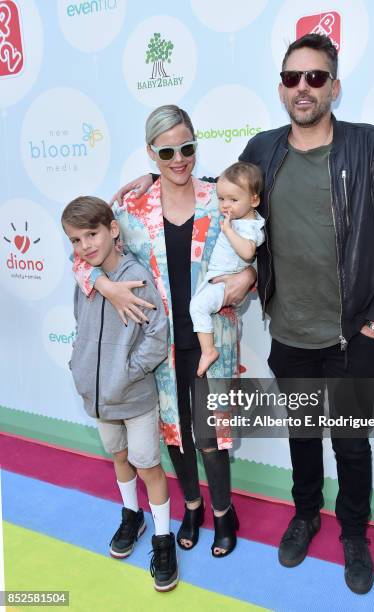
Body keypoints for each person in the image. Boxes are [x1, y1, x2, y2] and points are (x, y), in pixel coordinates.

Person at [114, 35, 374, 595]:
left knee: (349, 441)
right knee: (302, 434)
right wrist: (151, 180)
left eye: (316, 78)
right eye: (293, 78)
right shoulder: (263, 150)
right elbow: (221, 196)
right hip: (290, 329)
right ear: (280, 87)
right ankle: (305, 515)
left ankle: (353, 535)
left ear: (335, 87)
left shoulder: (371, 147)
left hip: (352, 336)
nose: (304, 87)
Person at [72, 106, 255, 558]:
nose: (179, 159)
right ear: (152, 152)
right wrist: (106, 285)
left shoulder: (221, 198)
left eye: (187, 148)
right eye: (167, 150)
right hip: (157, 346)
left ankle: (224, 513)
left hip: (213, 340)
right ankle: (191, 507)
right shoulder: (130, 209)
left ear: (196, 146)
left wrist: (249, 276)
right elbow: (83, 252)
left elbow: (257, 250)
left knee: (210, 435)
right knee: (175, 432)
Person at [61, 196, 178, 592]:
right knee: (119, 455)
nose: (84, 246)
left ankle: (163, 538)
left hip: (132, 396)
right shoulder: (86, 276)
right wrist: (81, 366)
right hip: (97, 397)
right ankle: (133, 515)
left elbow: (156, 338)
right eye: (76, 240)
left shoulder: (135, 275)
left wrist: (128, 373)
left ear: (113, 230)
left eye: (91, 234)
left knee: (148, 465)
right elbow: (82, 323)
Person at [190, 161, 264, 377]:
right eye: (221, 198)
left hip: (227, 282)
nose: (225, 205)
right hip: (217, 278)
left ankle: (208, 351)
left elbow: (248, 252)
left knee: (197, 307)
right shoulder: (238, 219)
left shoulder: (250, 226)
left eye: (233, 199)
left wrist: (228, 231)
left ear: (254, 200)